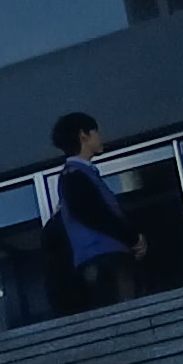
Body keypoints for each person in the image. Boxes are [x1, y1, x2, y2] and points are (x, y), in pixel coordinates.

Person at [51, 114, 143, 310]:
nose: (100, 137)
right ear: (83, 135)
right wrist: (132, 238)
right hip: (104, 257)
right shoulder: (75, 175)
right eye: (95, 132)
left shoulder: (77, 174)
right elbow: (96, 215)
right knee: (124, 313)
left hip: (100, 256)